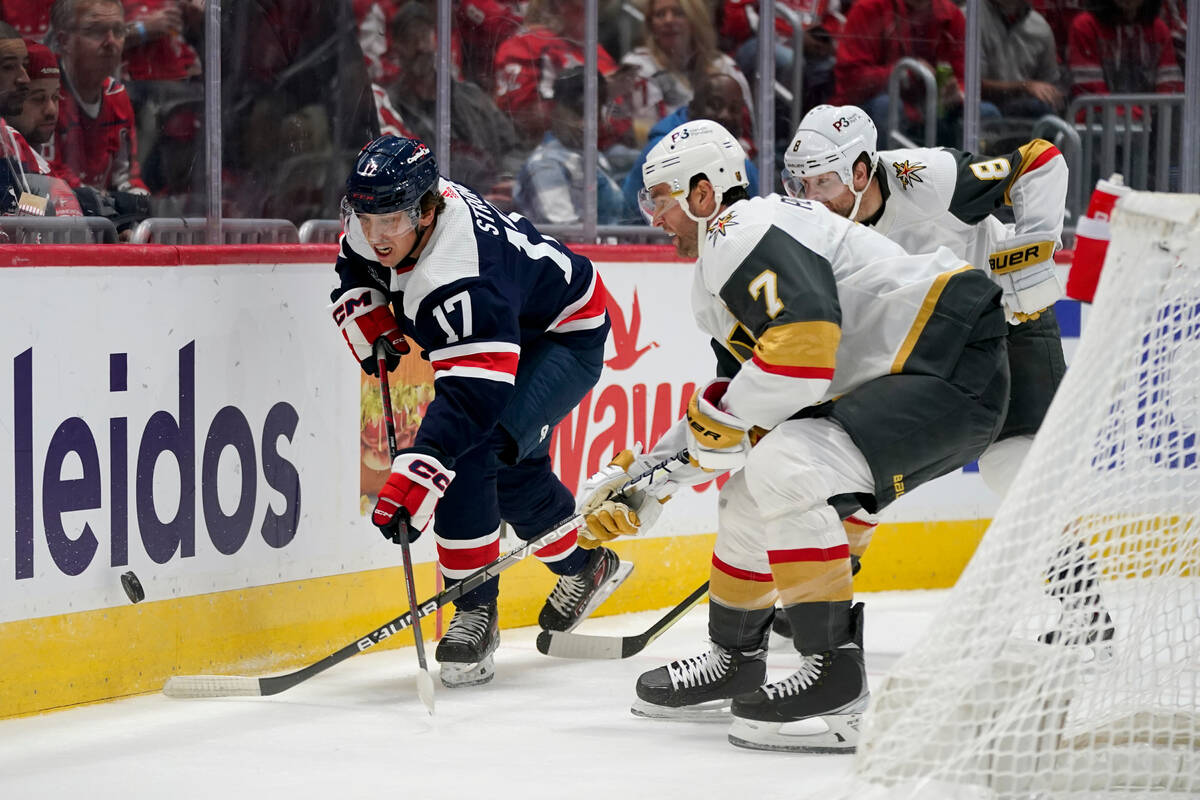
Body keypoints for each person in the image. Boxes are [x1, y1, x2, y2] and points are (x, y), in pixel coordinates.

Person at [577, 119, 1009, 751]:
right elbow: (743, 411)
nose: (653, 217)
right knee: (753, 487)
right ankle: (736, 659)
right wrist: (646, 478)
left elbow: (802, 357)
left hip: (946, 357)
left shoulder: (742, 230)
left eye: (660, 199)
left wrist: (699, 445)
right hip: (913, 373)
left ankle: (836, 680)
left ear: (703, 195)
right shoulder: (725, 266)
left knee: (787, 465)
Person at [331, 135, 630, 688]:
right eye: (366, 217)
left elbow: (474, 399)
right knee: (515, 473)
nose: (376, 236)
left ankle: (473, 610)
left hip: (561, 335)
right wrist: (363, 302)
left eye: (391, 221)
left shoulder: (459, 273)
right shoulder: (384, 213)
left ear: (426, 211)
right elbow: (354, 259)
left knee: (473, 452)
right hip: (512, 318)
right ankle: (587, 566)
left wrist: (423, 464)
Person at [783, 104, 1069, 500]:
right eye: (799, 184)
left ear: (860, 172)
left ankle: (1071, 560)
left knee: (1014, 464)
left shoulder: (926, 178)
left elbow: (1040, 161)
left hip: (1010, 319)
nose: (810, 200)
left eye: (823, 182)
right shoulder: (811, 231)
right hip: (930, 344)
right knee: (854, 469)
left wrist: (1032, 254)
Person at [831, 0, 999, 147]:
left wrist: (957, 93)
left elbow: (965, 77)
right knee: (886, 107)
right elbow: (850, 80)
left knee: (987, 113)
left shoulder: (951, 15)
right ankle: (883, 179)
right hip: (876, 107)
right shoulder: (869, 8)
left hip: (931, 110)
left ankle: (971, 180)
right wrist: (903, 74)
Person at [620, 71, 759, 223]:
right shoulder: (659, 154)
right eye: (715, 105)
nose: (725, 115)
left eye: (734, 109)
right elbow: (629, 218)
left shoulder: (742, 164)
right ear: (692, 108)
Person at [48, 0, 149, 196]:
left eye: (119, 31)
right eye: (95, 31)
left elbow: (126, 178)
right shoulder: (43, 96)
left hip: (99, 218)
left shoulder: (117, 95)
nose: (111, 42)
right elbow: (47, 182)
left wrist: (139, 203)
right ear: (63, 41)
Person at [620, 0, 754, 145]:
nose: (668, 20)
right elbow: (646, 139)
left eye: (678, 13)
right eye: (660, 14)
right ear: (651, 24)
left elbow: (748, 136)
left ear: (695, 19)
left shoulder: (725, 66)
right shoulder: (638, 67)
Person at [514, 66, 625, 226]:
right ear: (554, 110)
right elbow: (565, 234)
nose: (585, 124)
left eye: (593, 113)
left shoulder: (591, 155)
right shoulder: (546, 165)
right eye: (577, 112)